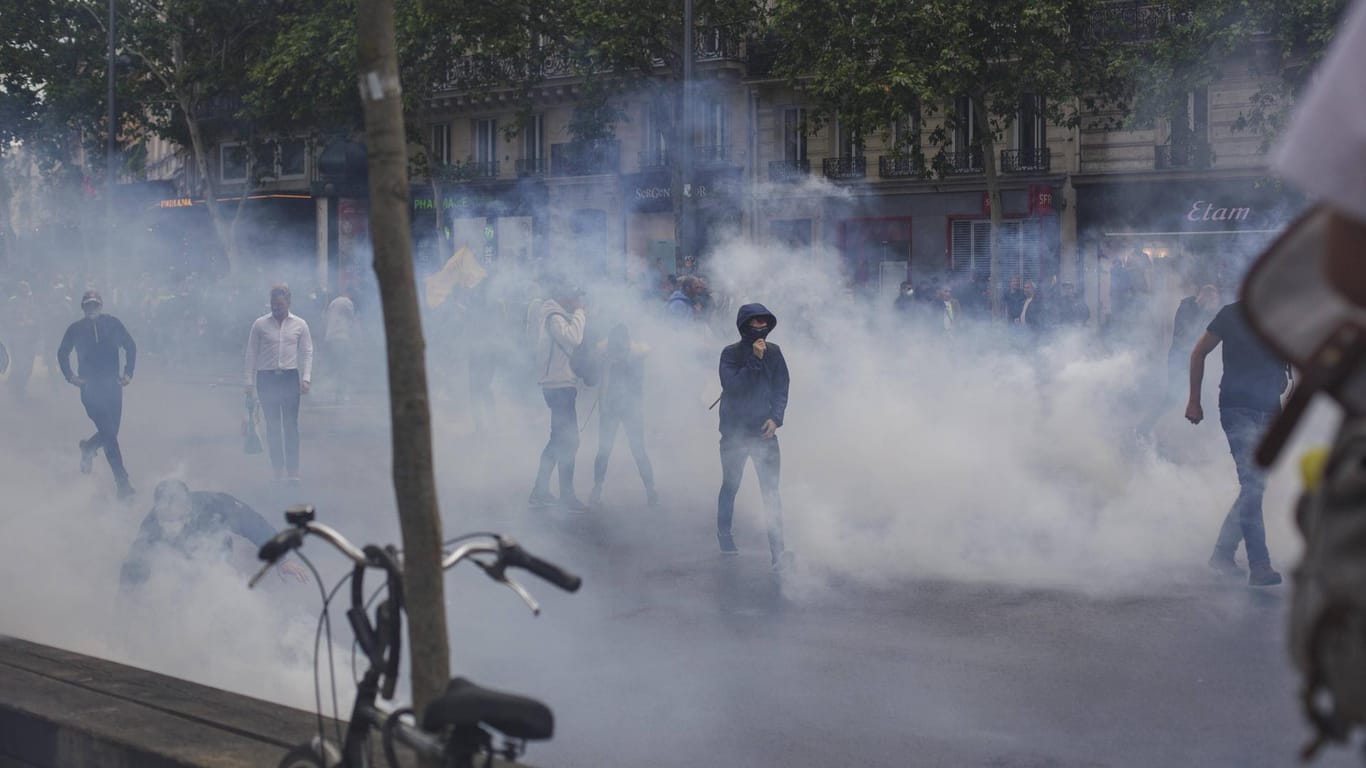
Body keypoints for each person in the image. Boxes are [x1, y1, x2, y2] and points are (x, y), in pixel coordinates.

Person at [1186, 301, 1290, 587]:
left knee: (1254, 486)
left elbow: (1284, 368)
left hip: (1270, 410)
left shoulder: (1281, 315)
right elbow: (1198, 353)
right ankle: (1259, 564)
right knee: (1253, 484)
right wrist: (1194, 400)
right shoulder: (1231, 314)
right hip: (1237, 407)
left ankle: (1222, 554)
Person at [119, 479, 307, 590]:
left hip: (216, 552)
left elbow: (252, 522)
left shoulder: (213, 504)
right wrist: (126, 609)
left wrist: (281, 558)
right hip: (178, 560)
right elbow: (135, 563)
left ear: (187, 505)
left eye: (176, 517)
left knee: (216, 587)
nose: (171, 524)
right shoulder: (152, 523)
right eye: (166, 519)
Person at [717, 303, 793, 570]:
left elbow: (782, 387)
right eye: (755, 323)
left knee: (771, 493)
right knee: (731, 485)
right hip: (734, 434)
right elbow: (734, 387)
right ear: (744, 326)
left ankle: (778, 553)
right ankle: (724, 534)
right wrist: (754, 359)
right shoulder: (730, 354)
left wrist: (776, 418)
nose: (760, 328)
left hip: (764, 433)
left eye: (764, 323)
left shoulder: (775, 352)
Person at [57, 290, 136, 499]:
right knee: (110, 435)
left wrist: (128, 372)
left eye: (95, 305)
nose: (92, 309)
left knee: (112, 432)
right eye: (88, 305)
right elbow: (62, 352)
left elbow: (130, 346)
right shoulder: (75, 329)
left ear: (101, 306)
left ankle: (89, 447)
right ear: (83, 308)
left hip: (113, 386)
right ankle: (123, 483)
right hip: (90, 389)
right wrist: (70, 376)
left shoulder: (113, 324)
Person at [245, 284, 314, 483]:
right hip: (266, 378)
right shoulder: (260, 324)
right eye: (274, 304)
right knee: (273, 426)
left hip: (289, 378)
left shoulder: (300, 324)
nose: (276, 308)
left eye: (280, 304)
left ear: (288, 303)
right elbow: (251, 353)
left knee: (290, 426)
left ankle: (293, 471)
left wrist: (306, 378)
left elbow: (308, 352)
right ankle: (277, 470)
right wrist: (248, 382)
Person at [529, 282, 588, 512]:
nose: (576, 301)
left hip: (560, 385)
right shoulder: (554, 317)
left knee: (560, 440)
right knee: (568, 441)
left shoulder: (557, 315)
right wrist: (581, 313)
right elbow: (573, 338)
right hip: (558, 386)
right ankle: (564, 495)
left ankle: (542, 490)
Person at [589, 324, 658, 509]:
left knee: (637, 450)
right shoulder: (606, 357)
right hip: (611, 408)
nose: (618, 345)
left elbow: (637, 382)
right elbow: (597, 377)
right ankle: (596, 490)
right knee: (605, 449)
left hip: (629, 409)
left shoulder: (635, 357)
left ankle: (651, 490)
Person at [323, 290, 356, 404]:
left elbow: (326, 320)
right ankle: (340, 394)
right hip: (341, 338)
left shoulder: (332, 304)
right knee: (343, 366)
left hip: (330, 338)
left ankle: (333, 394)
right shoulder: (346, 301)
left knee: (334, 366)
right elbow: (352, 318)